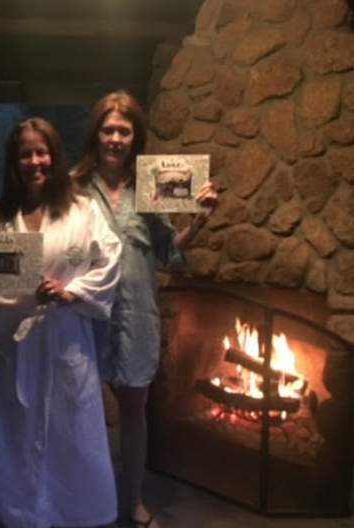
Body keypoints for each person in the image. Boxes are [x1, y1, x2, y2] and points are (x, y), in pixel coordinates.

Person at [0, 117, 123, 528]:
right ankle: (19, 514)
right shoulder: (1, 217)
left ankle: (71, 514)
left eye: (41, 152)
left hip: (62, 338)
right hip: (12, 345)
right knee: (15, 433)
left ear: (54, 156)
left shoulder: (81, 210)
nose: (34, 161)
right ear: (14, 163)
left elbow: (111, 257)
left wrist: (72, 293)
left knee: (69, 436)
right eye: (24, 154)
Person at [72, 90, 218, 528]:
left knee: (134, 414)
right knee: (82, 413)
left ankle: (133, 500)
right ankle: (85, 500)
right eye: (108, 129)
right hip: (83, 317)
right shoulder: (74, 185)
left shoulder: (150, 187)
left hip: (136, 317)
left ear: (135, 137)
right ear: (96, 133)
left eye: (124, 130)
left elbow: (167, 252)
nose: (115, 137)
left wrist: (201, 220)